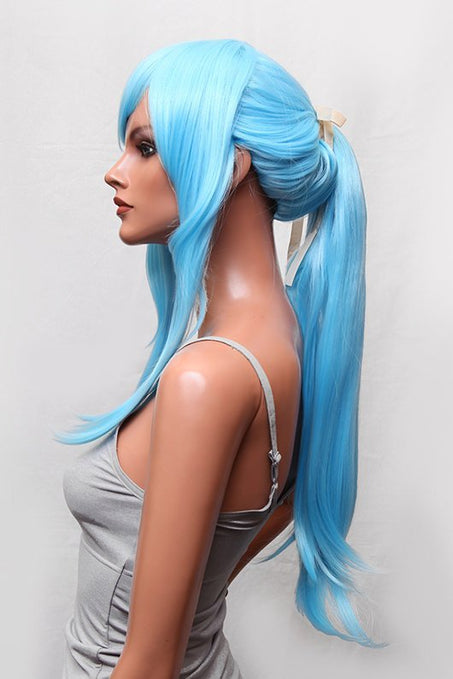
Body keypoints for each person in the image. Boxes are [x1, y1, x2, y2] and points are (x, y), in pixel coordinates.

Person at [56, 38, 386, 679]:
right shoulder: (287, 329)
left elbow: (150, 666)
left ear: (233, 168)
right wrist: (193, 594)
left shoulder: (208, 377)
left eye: (145, 148)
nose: (115, 172)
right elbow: (286, 500)